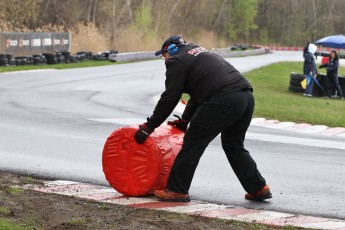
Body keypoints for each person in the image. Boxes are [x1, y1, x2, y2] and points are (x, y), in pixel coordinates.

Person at [134, 35, 272, 202]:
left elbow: (170, 97)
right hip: (246, 96)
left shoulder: (176, 61)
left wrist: (150, 126)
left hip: (223, 98)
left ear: (169, 51)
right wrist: (185, 120)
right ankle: (258, 188)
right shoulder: (197, 53)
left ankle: (177, 190)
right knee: (234, 145)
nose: (164, 60)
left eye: (163, 56)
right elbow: (197, 95)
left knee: (193, 142)